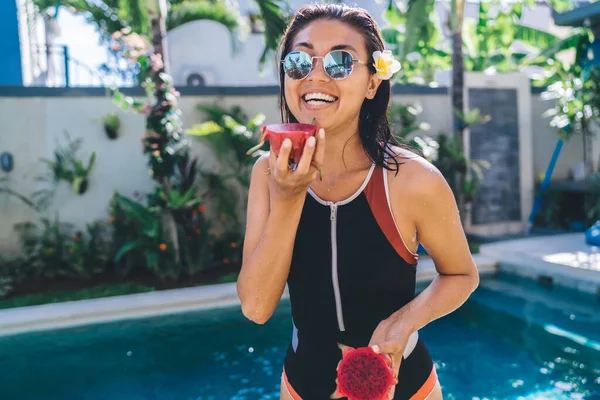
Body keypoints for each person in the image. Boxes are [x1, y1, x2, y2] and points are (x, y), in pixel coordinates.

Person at [236, 3, 480, 399]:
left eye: (340, 62)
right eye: (299, 60)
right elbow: (256, 306)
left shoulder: (411, 180)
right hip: (302, 387)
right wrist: (287, 198)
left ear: (372, 82)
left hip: (407, 389)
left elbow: (462, 275)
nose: (315, 74)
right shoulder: (269, 174)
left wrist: (404, 323)